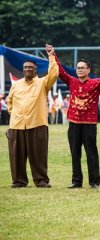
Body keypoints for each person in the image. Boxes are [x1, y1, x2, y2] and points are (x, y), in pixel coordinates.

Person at [55, 51, 100, 189]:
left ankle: (94, 181)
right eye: (78, 67)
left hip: (89, 124)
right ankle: (76, 181)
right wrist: (53, 55)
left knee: (91, 153)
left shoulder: (96, 83)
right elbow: (60, 71)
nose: (79, 70)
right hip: (74, 123)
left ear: (89, 70)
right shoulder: (72, 81)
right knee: (75, 153)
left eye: (82, 67)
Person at [7, 44, 59, 188]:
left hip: (37, 124)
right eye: (25, 68)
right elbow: (9, 101)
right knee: (16, 155)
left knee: (39, 155)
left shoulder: (43, 83)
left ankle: (41, 180)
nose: (28, 69)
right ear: (23, 70)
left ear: (36, 70)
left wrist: (51, 56)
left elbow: (54, 73)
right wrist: (14, 114)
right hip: (16, 125)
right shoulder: (16, 85)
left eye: (30, 67)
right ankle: (18, 181)